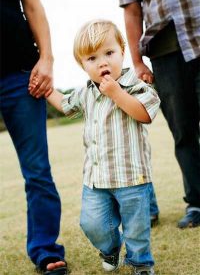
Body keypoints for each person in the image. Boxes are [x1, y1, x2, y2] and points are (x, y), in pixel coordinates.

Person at [30, 19, 160, 275]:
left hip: (133, 177)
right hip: (96, 180)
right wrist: (45, 90)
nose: (102, 62)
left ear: (122, 50)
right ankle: (111, 248)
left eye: (109, 53)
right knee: (92, 223)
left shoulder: (135, 85)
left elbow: (145, 113)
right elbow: (65, 103)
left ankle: (140, 263)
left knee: (137, 228)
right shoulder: (86, 92)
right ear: (83, 65)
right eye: (92, 58)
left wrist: (116, 93)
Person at [117, 0, 200, 229]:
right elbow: (132, 11)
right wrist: (138, 61)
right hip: (164, 53)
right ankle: (196, 203)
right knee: (183, 132)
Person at [0, 0, 68, 274]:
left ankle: (44, 248)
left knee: (37, 170)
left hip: (20, 73)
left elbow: (32, 5)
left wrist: (47, 59)